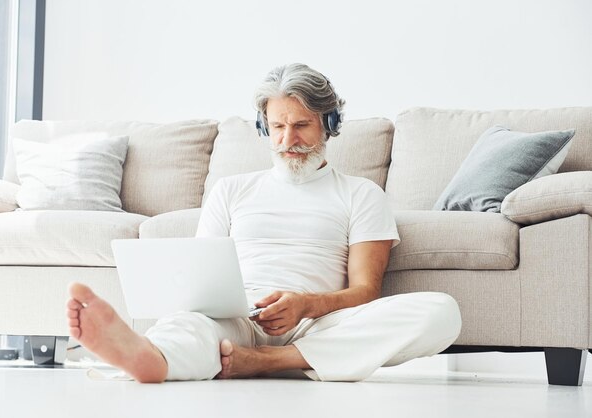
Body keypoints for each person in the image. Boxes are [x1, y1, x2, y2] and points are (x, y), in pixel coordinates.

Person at [66, 63, 462, 383]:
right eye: (277, 126)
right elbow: (200, 279)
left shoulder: (361, 194)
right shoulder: (231, 190)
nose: (288, 138)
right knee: (192, 324)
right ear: (263, 127)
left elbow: (365, 291)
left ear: (329, 123)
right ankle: (151, 356)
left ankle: (268, 361)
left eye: (302, 125)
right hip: (239, 315)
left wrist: (307, 304)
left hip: (318, 324)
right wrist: (211, 308)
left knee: (441, 312)